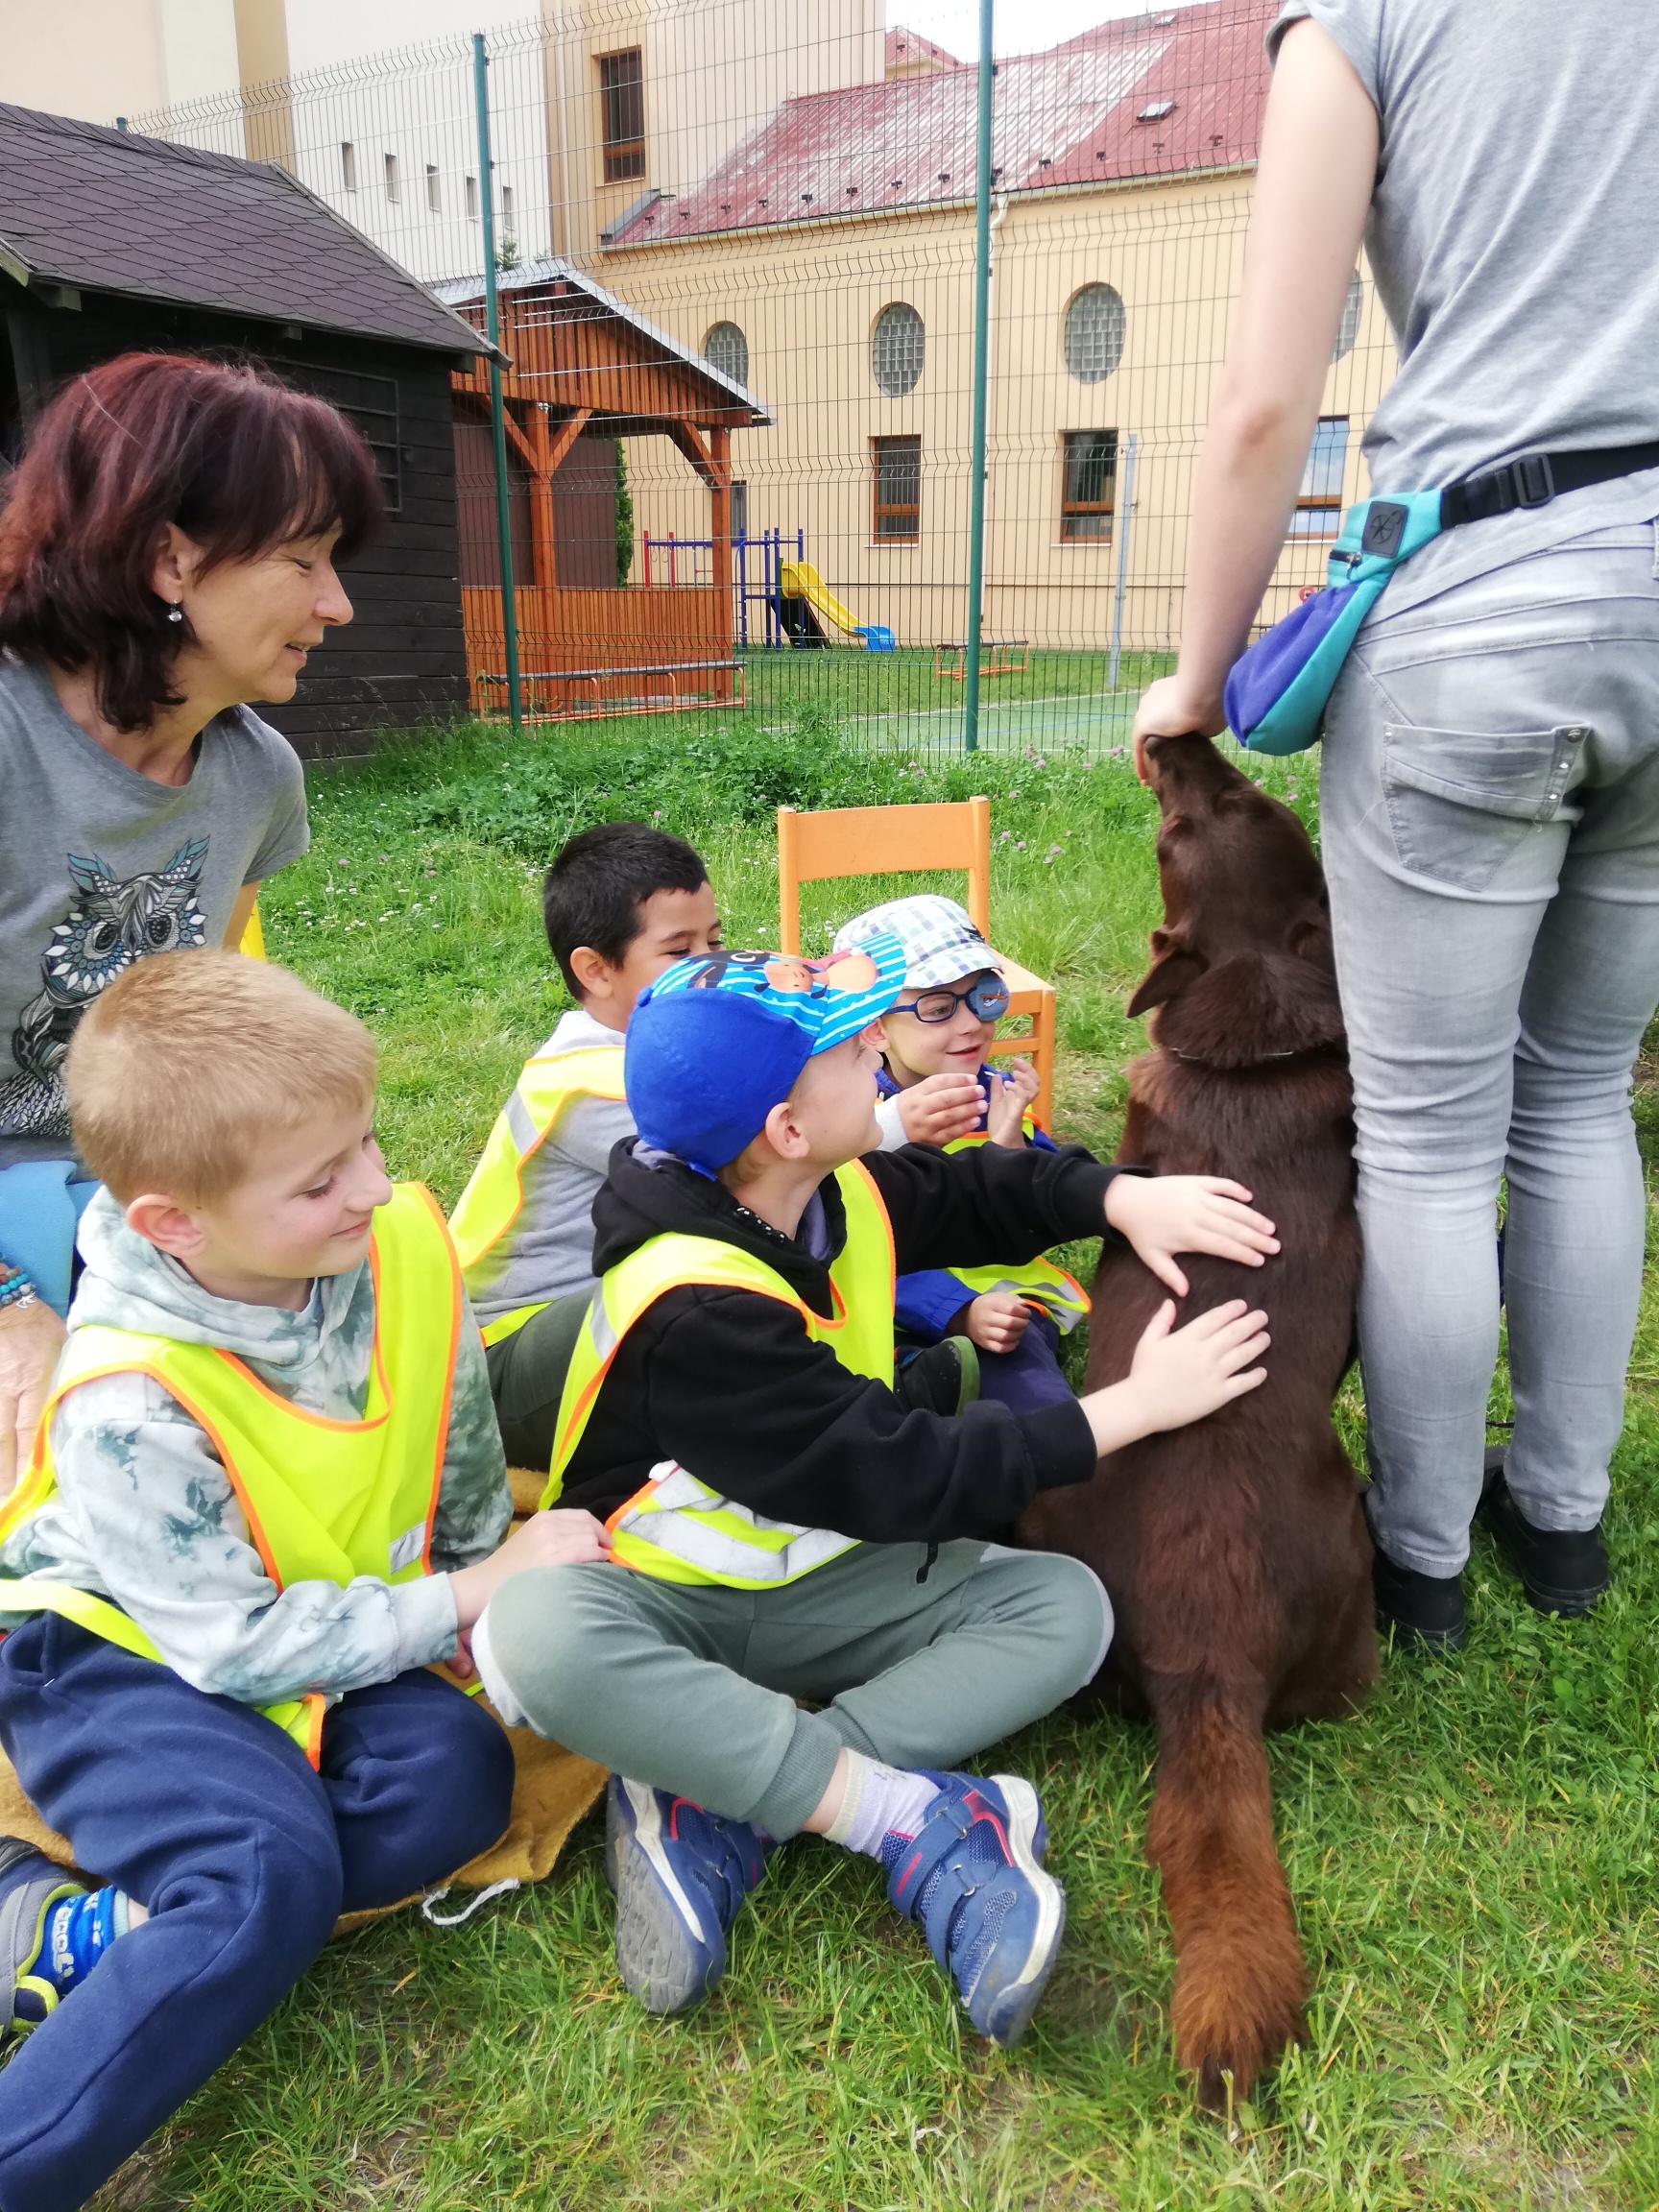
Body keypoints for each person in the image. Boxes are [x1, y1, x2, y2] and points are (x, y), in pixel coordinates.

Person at [469, 938, 1277, 2049]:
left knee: (1066, 1610)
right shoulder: (695, 1309)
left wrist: (1120, 1198)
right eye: (852, 1054)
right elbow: (902, 1471)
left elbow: (981, 1192)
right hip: (672, 1598)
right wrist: (1138, 1404)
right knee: (538, 1636)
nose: (875, 1062)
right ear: (787, 1130)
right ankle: (904, 1818)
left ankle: (726, 1798)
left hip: (822, 1578)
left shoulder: (823, 1184)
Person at [1130, 3, 1659, 1650]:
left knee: (1431, 1135)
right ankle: (1558, 1522)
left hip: (1486, 591)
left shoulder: (1358, 19)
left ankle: (1423, 1556)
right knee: (1577, 1092)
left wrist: (1195, 676)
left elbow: (1261, 406)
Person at [0, 952, 608, 2212]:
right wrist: (468, 1595)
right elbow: (227, 1653)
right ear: (173, 1221)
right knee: (268, 1872)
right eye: (323, 1180)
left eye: (369, 1145)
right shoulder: (126, 1399)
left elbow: (461, 1448)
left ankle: (120, 1930)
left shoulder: (395, 1241)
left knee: (460, 1779)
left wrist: (478, 1582)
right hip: (121, 1650)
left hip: (312, 1617)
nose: (377, 1190)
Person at [0, 351, 385, 1498]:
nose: (339, 605)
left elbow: (199, 1033)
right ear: (171, 556)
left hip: (133, 1182)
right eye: (304, 560)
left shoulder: (254, 776)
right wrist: (11, 1307)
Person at [449, 822, 723, 1469]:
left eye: (716, 940)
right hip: (505, 1361)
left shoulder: (655, 1051)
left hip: (584, 1321)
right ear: (596, 970)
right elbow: (743, 1169)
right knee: (696, 1303)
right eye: (680, 951)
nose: (712, 967)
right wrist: (891, 1123)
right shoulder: (593, 1084)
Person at [834, 893, 1085, 1414]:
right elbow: (845, 1227)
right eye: (939, 1006)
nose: (971, 1023)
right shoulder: (847, 1109)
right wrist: (954, 1311)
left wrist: (1007, 1141)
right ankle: (912, 1376)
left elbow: (1039, 1204)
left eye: (985, 996)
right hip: (878, 1299)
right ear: (875, 1026)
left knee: (1027, 1385)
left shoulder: (993, 1091)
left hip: (996, 1301)